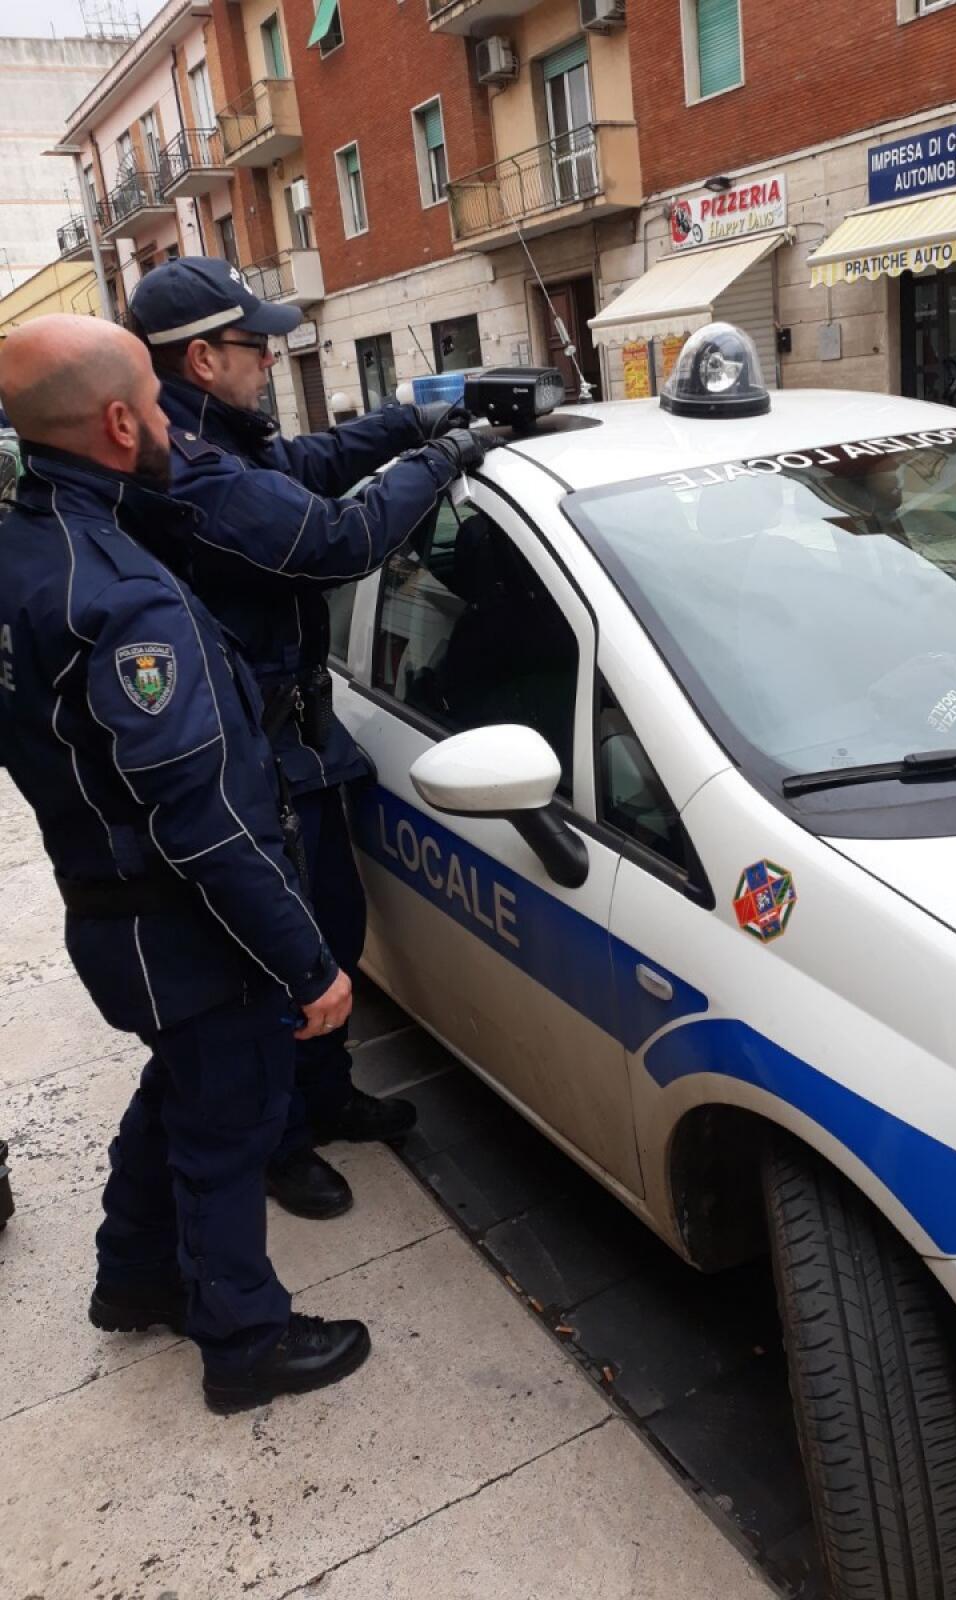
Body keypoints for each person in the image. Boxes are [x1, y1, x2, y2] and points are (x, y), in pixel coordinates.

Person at [0, 315, 368, 1412]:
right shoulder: (120, 593)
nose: (171, 422)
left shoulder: (28, 550)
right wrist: (309, 965)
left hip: (113, 908)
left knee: (181, 1092)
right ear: (119, 422)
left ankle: (134, 1276)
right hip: (184, 925)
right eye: (157, 407)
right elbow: (203, 824)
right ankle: (245, 1339)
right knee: (229, 1127)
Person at [128, 258, 485, 1224]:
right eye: (256, 346)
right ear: (203, 358)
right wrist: (445, 459)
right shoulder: (187, 467)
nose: (270, 360)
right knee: (285, 962)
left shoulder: (221, 438)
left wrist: (417, 418)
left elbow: (312, 464)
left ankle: (326, 1097)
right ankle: (284, 1142)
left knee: (333, 930)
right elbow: (333, 537)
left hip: (299, 740)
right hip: (250, 755)